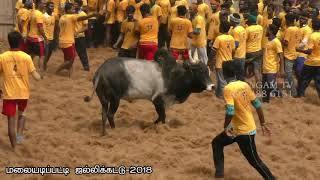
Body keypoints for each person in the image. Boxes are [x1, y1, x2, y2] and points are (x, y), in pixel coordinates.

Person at [211, 60, 275, 180]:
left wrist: (225, 127)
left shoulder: (228, 89)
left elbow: (230, 111)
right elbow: (257, 105)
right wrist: (262, 123)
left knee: (255, 161)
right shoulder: (244, 85)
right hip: (236, 129)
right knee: (217, 143)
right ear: (235, 72)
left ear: (224, 74)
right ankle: (219, 174)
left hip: (243, 131)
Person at [0, 31, 42, 149]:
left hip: (9, 94)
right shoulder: (27, 57)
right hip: (23, 93)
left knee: (10, 121)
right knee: (22, 114)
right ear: (20, 42)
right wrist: (40, 76)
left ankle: (14, 148)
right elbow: (36, 76)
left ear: (9, 41)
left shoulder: (2, 57)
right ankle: (19, 136)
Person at [56, 2, 97, 77]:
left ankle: (70, 74)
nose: (74, 8)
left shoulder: (62, 17)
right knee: (71, 59)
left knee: (67, 58)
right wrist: (91, 15)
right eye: (72, 8)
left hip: (62, 40)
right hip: (69, 41)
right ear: (68, 10)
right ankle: (58, 70)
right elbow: (81, 18)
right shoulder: (72, 16)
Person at [296, 18, 320, 98]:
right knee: (318, 82)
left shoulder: (312, 36)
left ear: (312, 26)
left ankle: (300, 95)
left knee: (303, 79)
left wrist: (299, 50)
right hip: (319, 63)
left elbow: (309, 51)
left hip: (311, 62)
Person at [212, 21, 235, 98]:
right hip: (229, 62)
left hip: (220, 63)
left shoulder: (219, 38)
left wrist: (209, 60)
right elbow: (233, 50)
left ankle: (223, 97)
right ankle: (218, 94)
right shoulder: (231, 38)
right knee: (225, 81)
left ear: (221, 28)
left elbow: (213, 51)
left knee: (222, 82)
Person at [262, 24, 284, 103]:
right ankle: (265, 101)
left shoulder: (276, 42)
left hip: (272, 68)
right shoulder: (267, 40)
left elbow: (281, 56)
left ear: (270, 31)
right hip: (265, 68)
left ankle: (279, 94)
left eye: (267, 29)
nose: (266, 31)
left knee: (269, 86)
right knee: (265, 87)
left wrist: (282, 69)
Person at [27, 0, 47, 74]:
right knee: (41, 56)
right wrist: (45, 38)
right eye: (43, 3)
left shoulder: (33, 12)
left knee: (31, 55)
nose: (44, 5)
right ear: (38, 4)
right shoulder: (39, 14)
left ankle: (27, 69)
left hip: (30, 37)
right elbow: (40, 28)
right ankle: (41, 72)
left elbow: (29, 24)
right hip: (37, 38)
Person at [282, 13, 300, 96]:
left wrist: (281, 41)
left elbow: (286, 42)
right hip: (296, 53)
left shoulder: (288, 30)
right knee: (294, 74)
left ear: (287, 20)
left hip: (289, 54)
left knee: (289, 74)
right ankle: (292, 89)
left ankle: (293, 92)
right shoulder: (297, 28)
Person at [245, 14, 263, 84]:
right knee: (257, 70)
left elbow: (245, 40)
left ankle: (247, 85)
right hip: (258, 51)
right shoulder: (260, 28)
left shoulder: (248, 29)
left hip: (249, 52)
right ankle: (259, 87)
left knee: (245, 69)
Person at [229, 13, 246, 81]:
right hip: (242, 56)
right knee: (241, 76)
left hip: (236, 56)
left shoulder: (236, 30)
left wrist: (231, 55)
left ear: (233, 21)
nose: (229, 21)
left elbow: (236, 44)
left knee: (235, 77)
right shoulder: (242, 28)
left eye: (230, 20)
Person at [296, 13, 313, 80]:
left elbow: (304, 42)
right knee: (297, 71)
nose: (302, 20)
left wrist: (295, 47)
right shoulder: (300, 28)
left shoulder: (307, 29)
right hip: (297, 53)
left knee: (300, 71)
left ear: (307, 20)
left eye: (304, 19)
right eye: (301, 18)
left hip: (302, 54)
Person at [74, 0, 90, 71]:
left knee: (82, 53)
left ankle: (86, 67)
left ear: (80, 5)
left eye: (76, 4)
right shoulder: (72, 13)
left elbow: (86, 27)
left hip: (80, 37)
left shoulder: (83, 14)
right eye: (74, 4)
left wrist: (78, 32)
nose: (74, 5)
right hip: (72, 37)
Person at [43, 1, 56, 71]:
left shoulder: (54, 15)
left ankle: (45, 63)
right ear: (47, 7)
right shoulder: (44, 16)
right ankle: (44, 66)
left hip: (52, 37)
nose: (52, 8)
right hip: (46, 38)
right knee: (46, 52)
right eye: (51, 6)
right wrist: (45, 38)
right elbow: (43, 29)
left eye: (53, 6)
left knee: (50, 52)